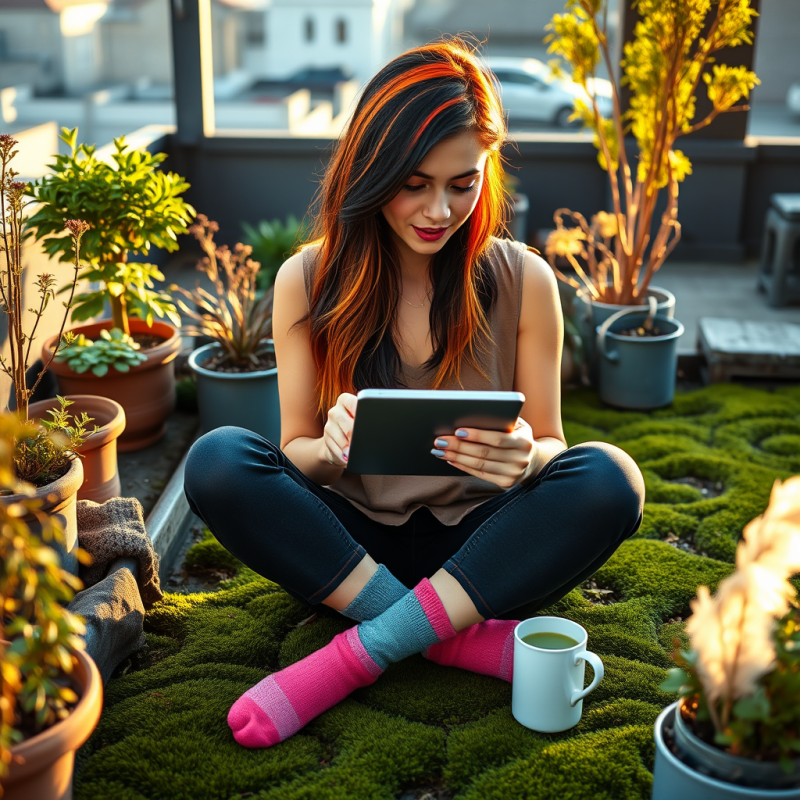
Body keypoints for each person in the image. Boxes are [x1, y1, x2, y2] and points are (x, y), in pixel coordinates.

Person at [183, 37, 645, 750]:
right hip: (349, 552)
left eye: (463, 184)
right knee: (216, 460)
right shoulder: (307, 280)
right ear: (372, 171)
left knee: (611, 477)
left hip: (485, 552)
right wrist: (330, 451)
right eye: (414, 183)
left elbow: (552, 441)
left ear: (486, 172)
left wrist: (525, 460)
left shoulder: (525, 280)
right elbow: (291, 454)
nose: (439, 209)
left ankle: (354, 656)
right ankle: (452, 640)